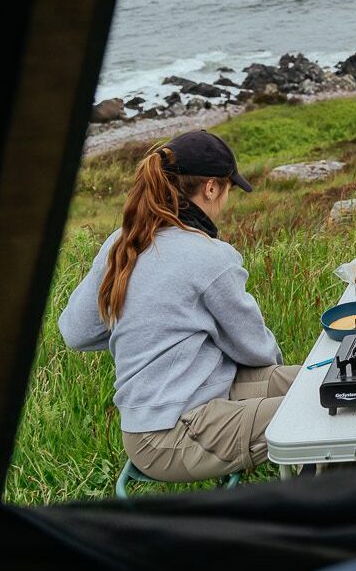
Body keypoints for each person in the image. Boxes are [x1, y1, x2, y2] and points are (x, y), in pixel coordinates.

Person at [58, 129, 297, 481]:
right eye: (228, 190)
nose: (226, 202)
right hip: (172, 435)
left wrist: (138, 328)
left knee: (319, 382)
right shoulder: (209, 257)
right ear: (211, 188)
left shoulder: (122, 241)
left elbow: (75, 332)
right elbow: (255, 349)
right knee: (317, 409)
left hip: (173, 412)